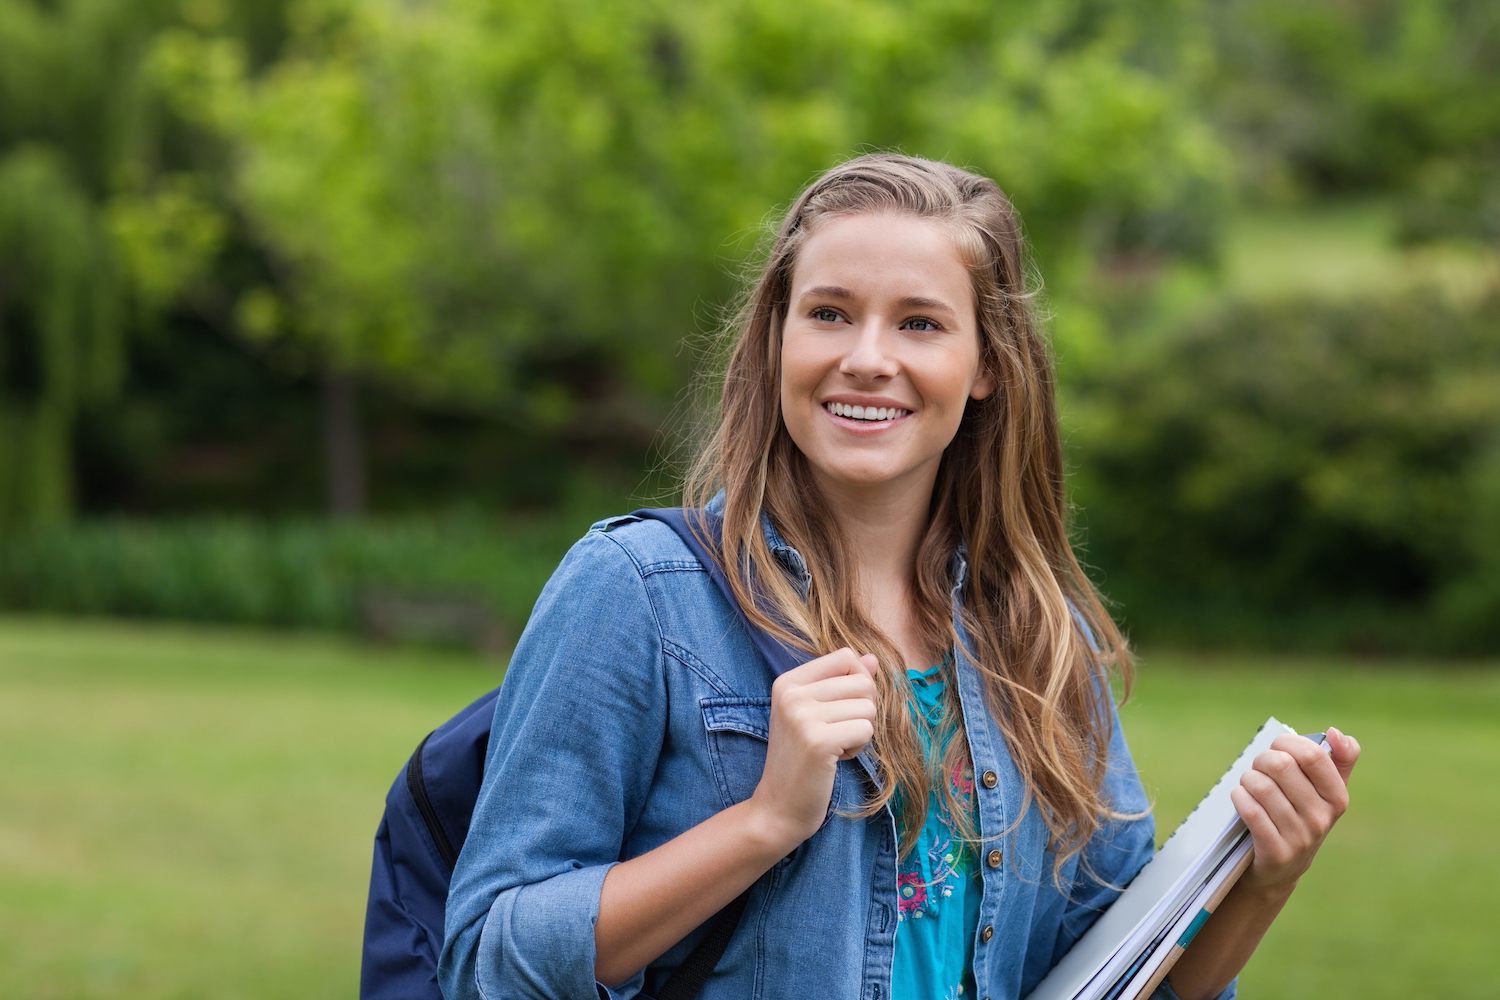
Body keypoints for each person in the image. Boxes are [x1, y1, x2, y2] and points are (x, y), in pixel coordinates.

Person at [438, 153, 1360, 1000]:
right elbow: (489, 957)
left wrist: (1260, 887)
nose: (868, 357)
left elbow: (1114, 973)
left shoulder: (1042, 644)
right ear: (776, 338)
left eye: (920, 323)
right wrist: (762, 823)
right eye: (830, 312)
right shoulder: (636, 592)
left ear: (987, 366)